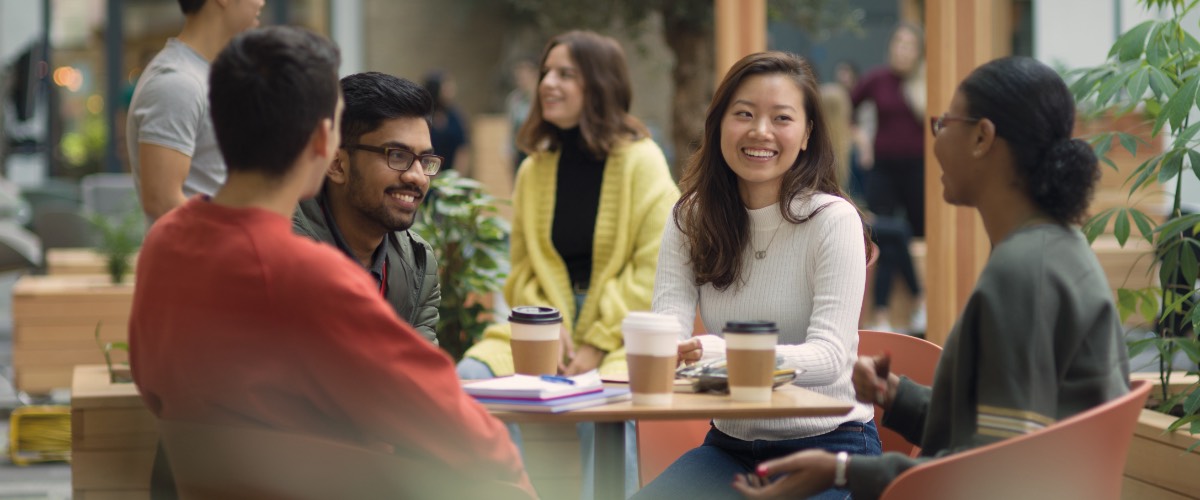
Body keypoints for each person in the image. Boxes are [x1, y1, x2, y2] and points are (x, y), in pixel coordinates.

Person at [128, 26, 535, 498]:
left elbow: (152, 388)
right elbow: (457, 430)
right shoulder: (309, 277)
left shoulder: (164, 246)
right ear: (326, 144)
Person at [733, 56, 1130, 500]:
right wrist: (896, 395)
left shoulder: (1025, 272)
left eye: (943, 123)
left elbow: (994, 466)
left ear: (982, 137)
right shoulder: (1054, 251)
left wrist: (843, 471)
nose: (935, 139)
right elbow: (1002, 428)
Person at [635, 51, 880, 500]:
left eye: (781, 118)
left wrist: (727, 356)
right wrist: (667, 349)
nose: (760, 131)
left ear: (806, 134)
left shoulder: (833, 220)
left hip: (829, 447)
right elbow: (669, 319)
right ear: (719, 125)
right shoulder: (690, 217)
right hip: (731, 448)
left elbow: (831, 358)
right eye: (743, 114)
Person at [458, 30, 679, 499]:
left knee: (605, 403)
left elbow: (654, 269)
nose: (547, 84)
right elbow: (521, 272)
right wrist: (546, 324)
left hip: (622, 332)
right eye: (545, 73)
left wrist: (597, 343)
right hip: (546, 330)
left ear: (599, 84)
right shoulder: (534, 169)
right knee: (469, 381)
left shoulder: (644, 162)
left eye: (565, 74)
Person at [293, 72, 441, 343]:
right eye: (398, 156)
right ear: (336, 164)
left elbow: (420, 373)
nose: (418, 177)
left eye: (425, 160)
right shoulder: (279, 254)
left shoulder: (419, 265)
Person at [126, 0, 262, 222]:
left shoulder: (208, 75)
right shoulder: (176, 83)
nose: (262, 1)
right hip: (199, 254)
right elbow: (162, 202)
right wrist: (242, 238)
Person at [851, 23, 926, 332]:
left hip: (918, 168)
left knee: (911, 233)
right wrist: (861, 140)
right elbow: (847, 108)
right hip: (883, 167)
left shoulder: (924, 82)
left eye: (909, 45)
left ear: (918, 51)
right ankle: (915, 304)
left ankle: (886, 314)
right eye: (898, 43)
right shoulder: (877, 79)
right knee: (885, 231)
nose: (901, 50)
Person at [423, 71, 470, 173]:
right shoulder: (424, 116)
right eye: (446, 88)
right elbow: (426, 151)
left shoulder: (455, 116)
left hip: (451, 176)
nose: (451, 91)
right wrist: (433, 175)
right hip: (429, 173)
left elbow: (462, 148)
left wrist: (456, 177)